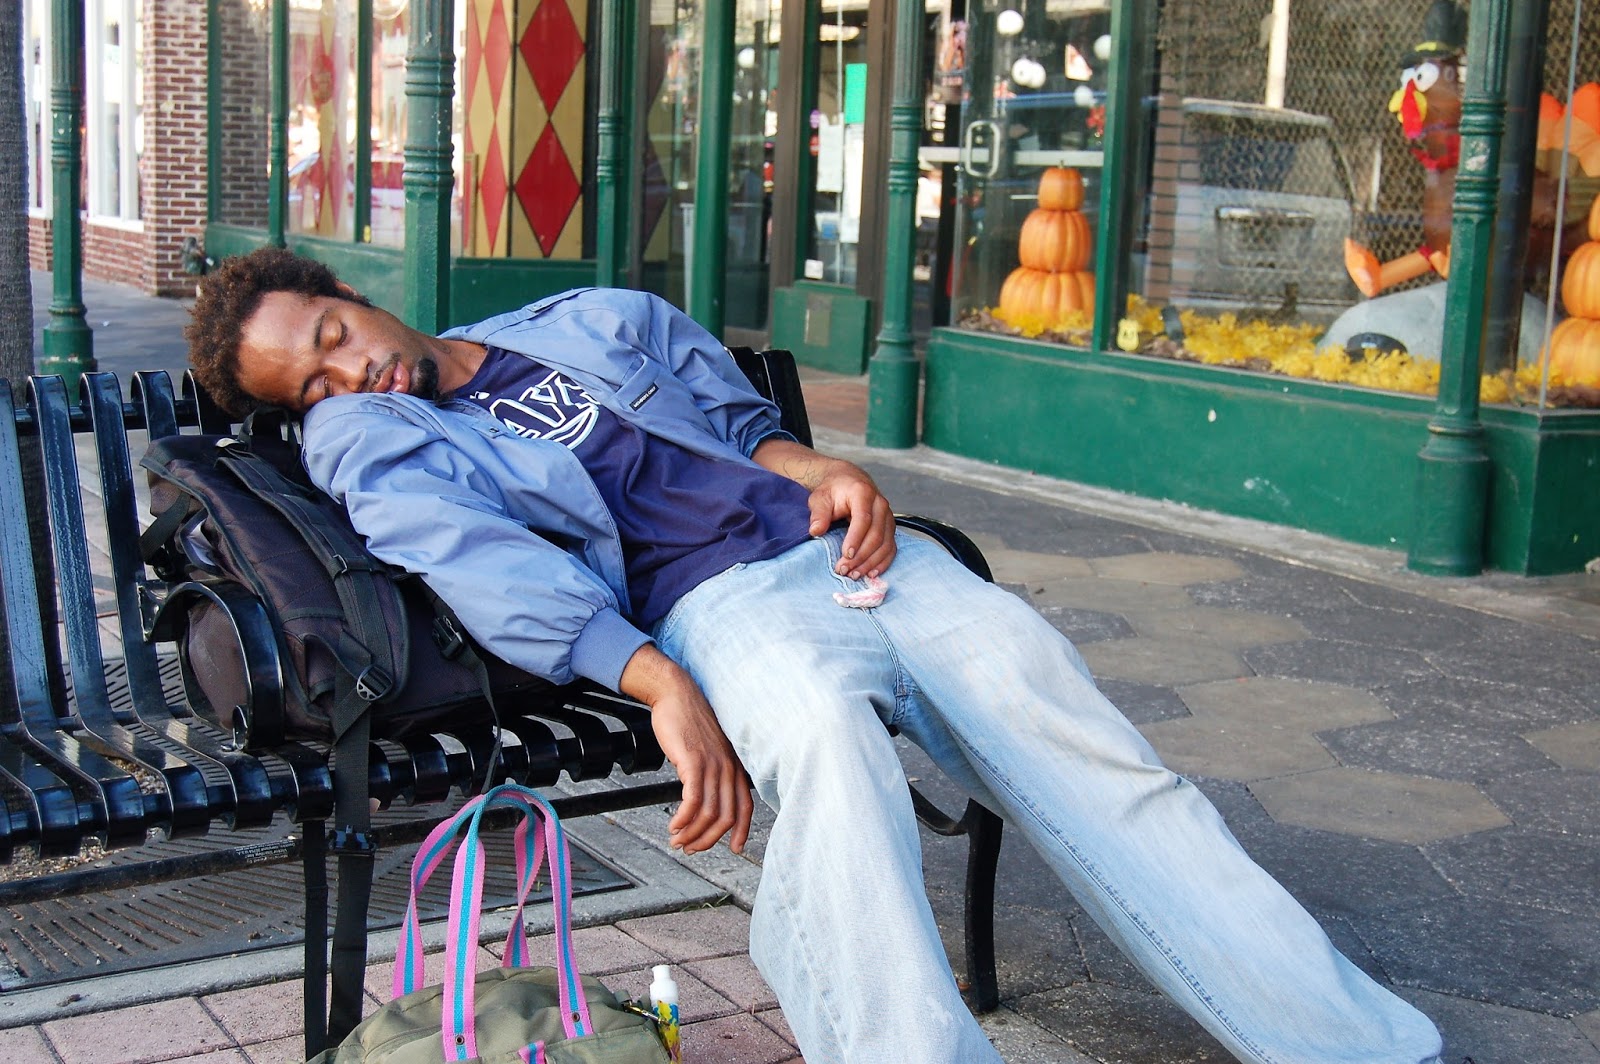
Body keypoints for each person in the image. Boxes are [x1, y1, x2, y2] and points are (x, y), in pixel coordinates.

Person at [186, 248, 1444, 1064]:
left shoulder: (586, 317)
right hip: (720, 608)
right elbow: (485, 567)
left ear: (354, 290)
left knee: (1102, 760)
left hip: (853, 553)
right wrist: (657, 681)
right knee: (834, 762)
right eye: (313, 384)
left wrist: (824, 467)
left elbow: (745, 427)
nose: (352, 367)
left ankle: (1362, 1046)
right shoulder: (371, 438)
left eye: (334, 330)